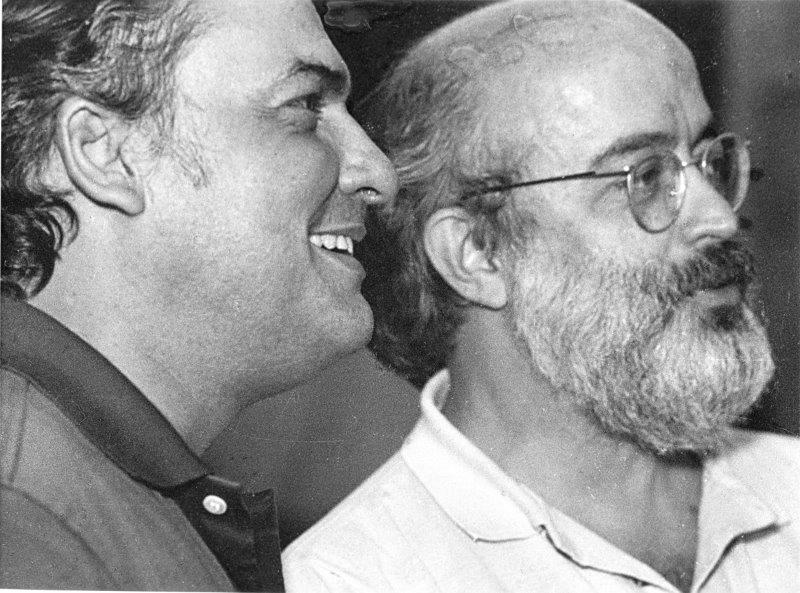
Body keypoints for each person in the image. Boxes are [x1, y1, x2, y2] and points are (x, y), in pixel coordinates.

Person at [282, 1, 800, 591]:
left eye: (707, 160)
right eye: (643, 176)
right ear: (478, 253)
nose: (719, 219)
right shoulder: (347, 580)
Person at [0, 0, 397, 590]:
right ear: (105, 152)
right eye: (305, 105)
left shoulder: (73, 493)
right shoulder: (26, 519)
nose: (377, 173)